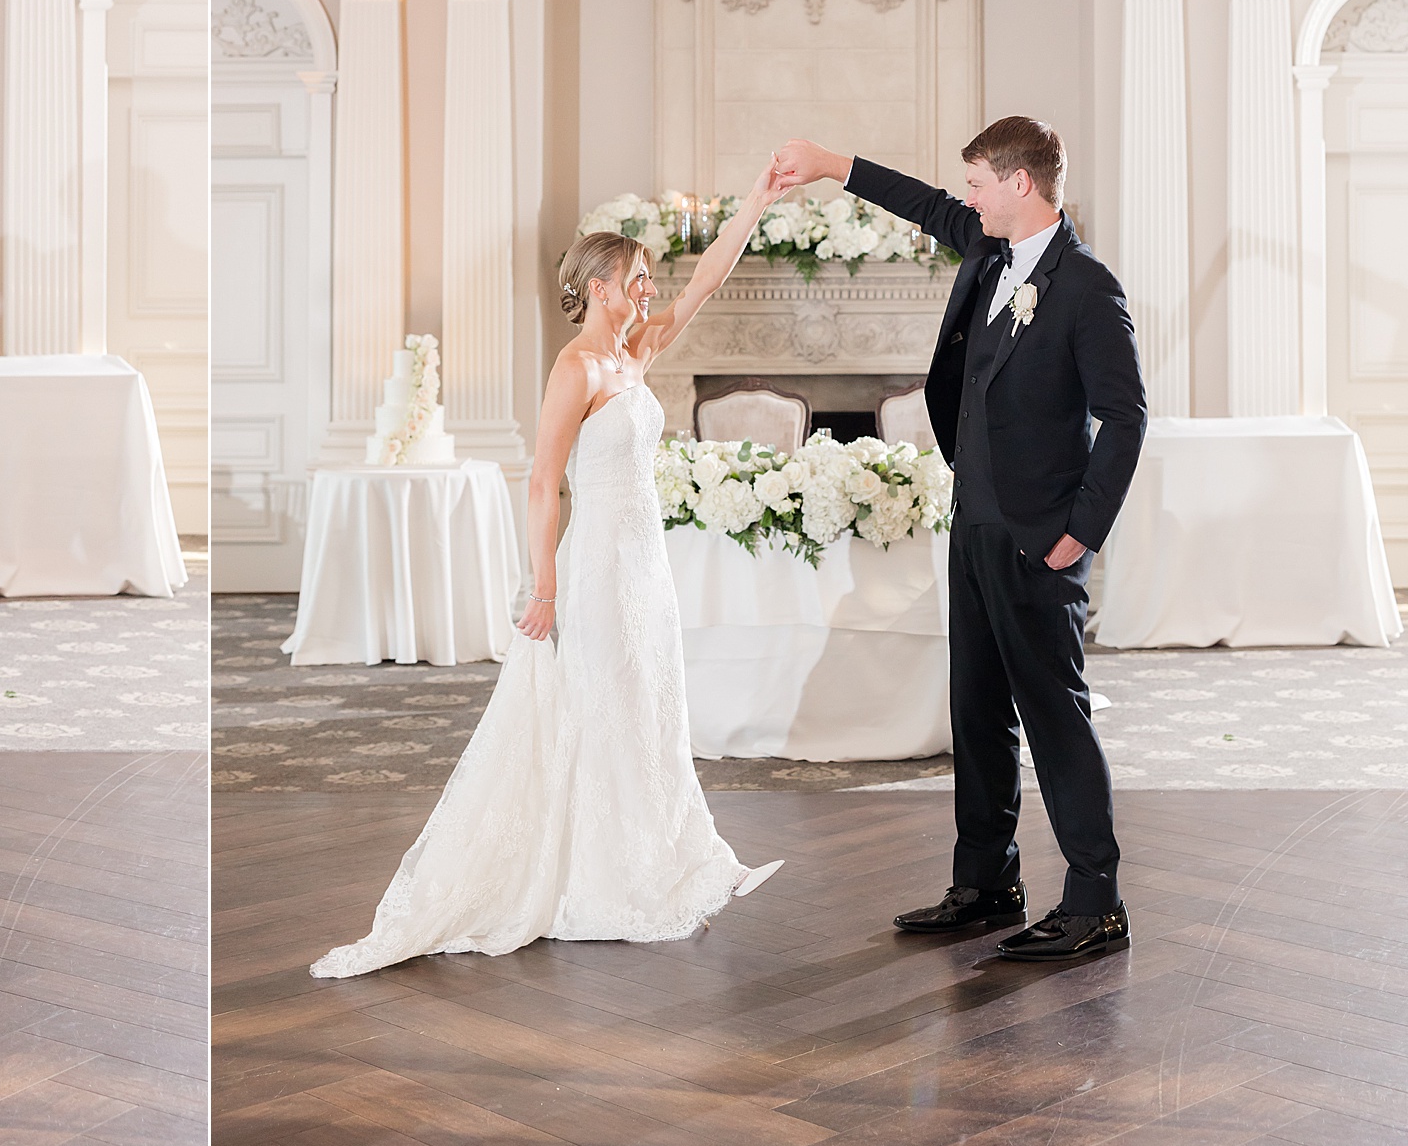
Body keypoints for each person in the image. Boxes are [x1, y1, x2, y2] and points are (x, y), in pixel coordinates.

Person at [311, 162, 787, 980]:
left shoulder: (638, 348)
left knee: (649, 704)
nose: (647, 291)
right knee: (599, 706)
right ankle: (596, 878)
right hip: (598, 563)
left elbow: (704, 284)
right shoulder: (574, 369)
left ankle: (655, 857)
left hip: (648, 564)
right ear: (599, 285)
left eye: (646, 281)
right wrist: (546, 587)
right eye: (635, 280)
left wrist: (755, 205)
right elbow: (542, 481)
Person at [772, 119, 1145, 963]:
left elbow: (1126, 417)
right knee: (976, 712)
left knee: (1054, 717)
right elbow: (920, 201)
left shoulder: (1087, 286)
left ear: (1021, 184)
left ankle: (1097, 899)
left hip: (1040, 538)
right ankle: (987, 881)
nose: (966, 198)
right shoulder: (985, 252)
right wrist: (833, 165)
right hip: (972, 524)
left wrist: (1078, 532)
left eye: (978, 182)